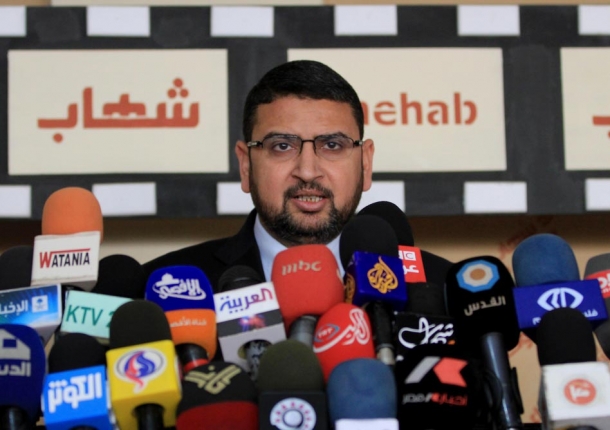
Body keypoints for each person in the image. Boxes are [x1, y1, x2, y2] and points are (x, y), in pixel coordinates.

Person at [143, 60, 451, 290]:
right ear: (246, 165)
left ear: (365, 163)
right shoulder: (161, 290)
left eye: (332, 145)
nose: (307, 171)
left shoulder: (444, 289)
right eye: (282, 146)